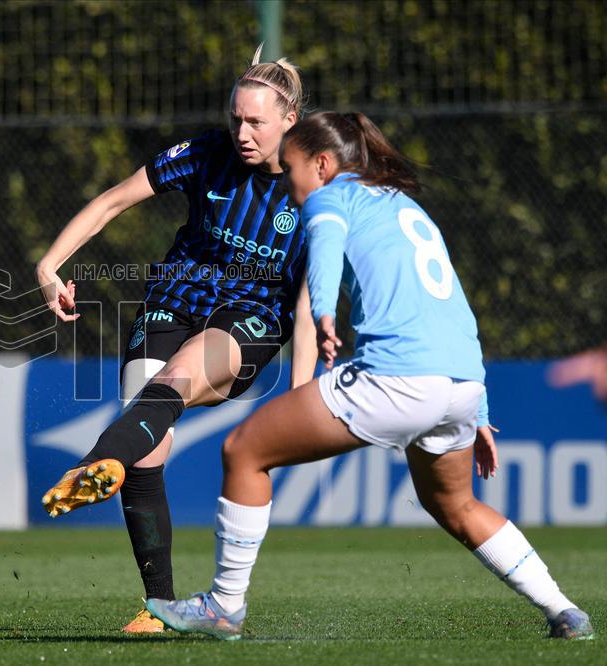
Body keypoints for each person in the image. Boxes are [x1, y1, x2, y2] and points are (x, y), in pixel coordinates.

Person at [146, 111, 595, 641]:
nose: (287, 181)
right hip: (461, 384)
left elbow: (326, 252)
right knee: (454, 503)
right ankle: (565, 610)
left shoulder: (331, 196)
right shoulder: (405, 207)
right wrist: (481, 414)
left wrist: (323, 315)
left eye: (290, 167)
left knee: (244, 449)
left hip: (397, 378)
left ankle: (223, 606)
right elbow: (455, 308)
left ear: (322, 163)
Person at [35, 46, 318, 633]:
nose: (242, 131)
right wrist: (49, 265)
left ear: (289, 120)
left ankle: (96, 461)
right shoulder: (207, 153)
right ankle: (157, 607)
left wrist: (302, 395)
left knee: (175, 378)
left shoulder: (315, 185)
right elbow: (113, 202)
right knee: (149, 447)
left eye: (256, 121)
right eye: (236, 117)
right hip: (173, 301)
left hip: (251, 319)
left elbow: (310, 302)